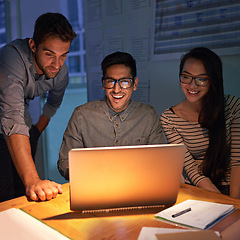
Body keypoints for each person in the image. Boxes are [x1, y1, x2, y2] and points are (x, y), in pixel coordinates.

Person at [0, 12, 76, 202]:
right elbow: (11, 116)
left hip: (20, 124)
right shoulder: (11, 57)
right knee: (4, 193)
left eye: (63, 56)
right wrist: (34, 180)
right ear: (33, 46)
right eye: (49, 54)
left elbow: (53, 103)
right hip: (8, 119)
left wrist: (35, 132)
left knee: (22, 193)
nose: (56, 64)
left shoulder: (60, 72)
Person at [58, 51, 166, 180]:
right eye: (110, 81)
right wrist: (92, 174)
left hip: (137, 189)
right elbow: (64, 163)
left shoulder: (148, 115)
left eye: (125, 82)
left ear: (135, 84)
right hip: (95, 189)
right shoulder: (81, 115)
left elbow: (160, 163)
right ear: (103, 84)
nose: (116, 89)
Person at [160, 47, 240, 198]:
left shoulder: (233, 106)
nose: (192, 85)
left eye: (201, 79)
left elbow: (237, 161)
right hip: (199, 188)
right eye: (186, 77)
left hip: (234, 187)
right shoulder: (169, 118)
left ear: (213, 80)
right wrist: (219, 199)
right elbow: (189, 168)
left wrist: (235, 203)